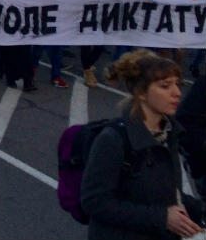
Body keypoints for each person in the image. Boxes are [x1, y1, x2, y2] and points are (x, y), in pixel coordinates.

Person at [81, 50, 204, 239]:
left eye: (178, 85)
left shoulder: (168, 133)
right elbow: (94, 201)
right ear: (141, 93)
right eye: (165, 86)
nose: (177, 93)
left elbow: (167, 192)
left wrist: (199, 211)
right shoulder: (113, 139)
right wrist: (163, 217)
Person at [0, 0, 37, 91]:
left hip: (24, 29)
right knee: (11, 56)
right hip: (10, 30)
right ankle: (11, 78)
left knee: (26, 56)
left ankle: (28, 82)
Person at [34, 0, 72, 88]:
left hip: (59, 19)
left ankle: (56, 76)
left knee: (58, 49)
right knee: (38, 47)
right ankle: (31, 73)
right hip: (43, 18)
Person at [72, 0, 106, 88]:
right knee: (86, 44)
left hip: (95, 15)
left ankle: (88, 64)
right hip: (81, 16)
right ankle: (87, 71)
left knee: (100, 44)